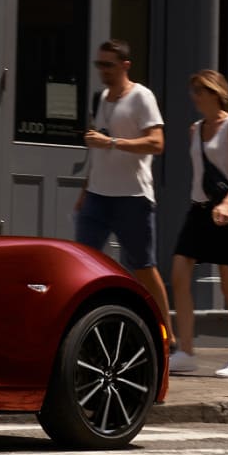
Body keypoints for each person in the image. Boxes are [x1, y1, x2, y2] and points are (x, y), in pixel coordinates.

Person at [74, 39, 176, 353]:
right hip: (97, 196)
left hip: (132, 197)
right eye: (99, 65)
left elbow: (157, 143)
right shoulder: (101, 98)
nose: (103, 71)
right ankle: (82, 332)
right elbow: (99, 149)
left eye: (109, 65)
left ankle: (166, 336)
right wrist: (85, 189)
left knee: (143, 266)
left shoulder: (142, 97)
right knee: (81, 262)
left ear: (125, 65)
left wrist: (114, 143)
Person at [167, 69, 228, 378]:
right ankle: (186, 351)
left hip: (224, 211)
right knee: (178, 274)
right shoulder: (194, 129)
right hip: (198, 211)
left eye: (200, 91)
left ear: (215, 93)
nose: (195, 97)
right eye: (193, 91)